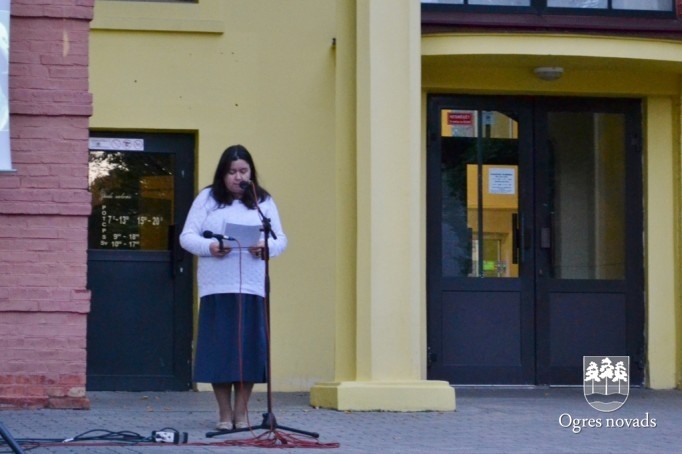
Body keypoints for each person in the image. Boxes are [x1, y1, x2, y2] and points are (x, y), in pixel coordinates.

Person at [180, 144, 287, 430]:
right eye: (232, 172)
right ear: (222, 174)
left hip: (251, 288)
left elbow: (280, 239)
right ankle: (224, 415)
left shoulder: (263, 201)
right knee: (221, 352)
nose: (238, 177)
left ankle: (242, 414)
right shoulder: (208, 198)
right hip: (217, 287)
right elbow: (187, 237)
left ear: (251, 173)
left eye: (243, 171)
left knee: (248, 353)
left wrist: (265, 246)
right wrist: (210, 246)